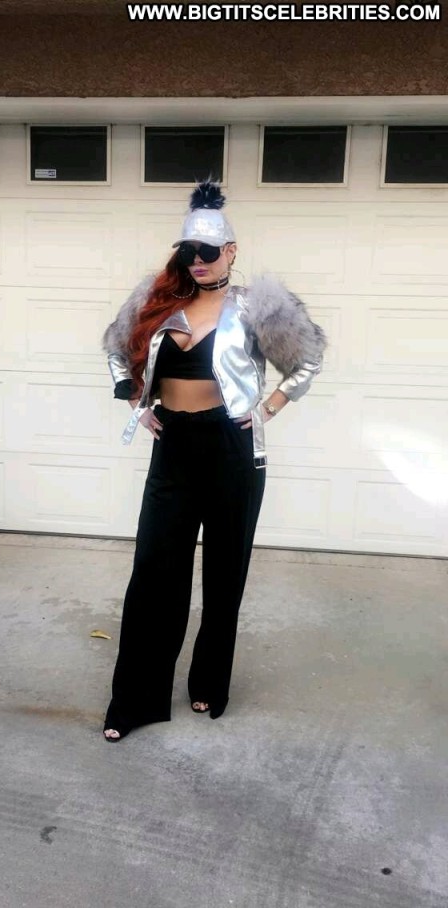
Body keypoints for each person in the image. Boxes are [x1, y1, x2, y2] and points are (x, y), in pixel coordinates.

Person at [101, 179, 327, 741]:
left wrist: (269, 406)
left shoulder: (257, 306)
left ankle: (208, 682)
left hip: (232, 450)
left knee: (225, 572)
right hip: (174, 447)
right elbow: (116, 350)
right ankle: (135, 700)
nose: (197, 261)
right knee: (155, 573)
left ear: (231, 251)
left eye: (207, 251)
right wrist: (136, 401)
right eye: (188, 252)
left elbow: (309, 358)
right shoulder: (158, 300)